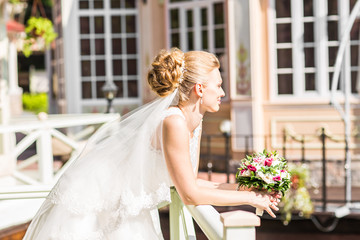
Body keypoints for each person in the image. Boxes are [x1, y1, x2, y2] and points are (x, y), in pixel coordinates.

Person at [23, 48, 279, 240]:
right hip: (100, 203)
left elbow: (192, 181)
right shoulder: (174, 123)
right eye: (219, 85)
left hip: (128, 202)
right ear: (200, 89)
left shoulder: (195, 122)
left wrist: (246, 189)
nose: (223, 92)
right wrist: (252, 200)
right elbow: (190, 194)